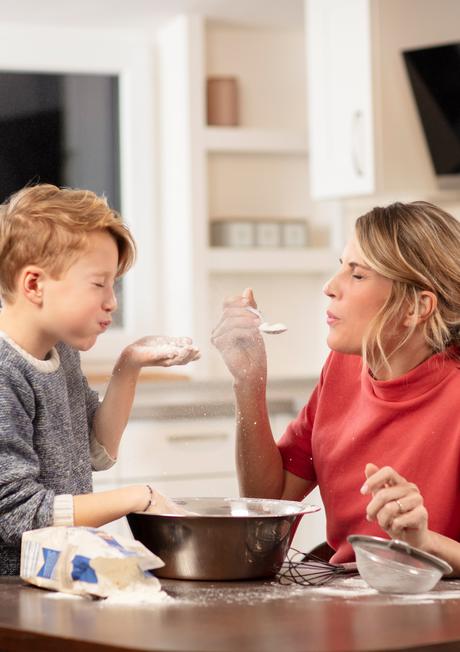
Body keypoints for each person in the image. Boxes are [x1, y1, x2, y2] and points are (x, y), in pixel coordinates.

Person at [212, 200, 460, 575]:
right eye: (340, 267)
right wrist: (249, 383)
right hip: (351, 600)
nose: (330, 287)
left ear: (416, 307)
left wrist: (424, 544)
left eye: (357, 275)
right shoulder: (343, 368)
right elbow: (271, 504)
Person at [0, 183, 200, 575]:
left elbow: (96, 448)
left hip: (47, 579)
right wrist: (138, 497)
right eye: (98, 283)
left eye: (114, 284)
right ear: (35, 284)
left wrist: (130, 364)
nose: (112, 301)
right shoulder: (5, 373)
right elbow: (17, 515)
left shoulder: (62, 352)